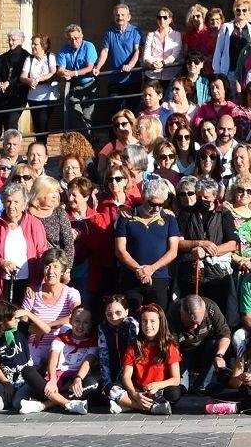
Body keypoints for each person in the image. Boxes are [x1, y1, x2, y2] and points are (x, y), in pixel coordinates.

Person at [114, 177, 183, 310]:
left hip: (159, 277)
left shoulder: (169, 218)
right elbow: (120, 250)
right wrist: (138, 270)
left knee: (157, 318)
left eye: (160, 205)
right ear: (143, 198)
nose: (156, 209)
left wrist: (151, 269)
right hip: (131, 278)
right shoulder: (127, 217)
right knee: (131, 319)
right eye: (152, 204)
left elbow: (173, 250)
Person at [113, 302, 182, 415]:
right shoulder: (134, 346)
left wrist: (158, 385)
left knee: (175, 393)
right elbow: (126, 377)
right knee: (110, 388)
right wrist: (135, 394)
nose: (148, 325)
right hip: (138, 391)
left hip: (158, 391)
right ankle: (147, 407)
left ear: (161, 323)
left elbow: (176, 379)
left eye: (152, 321)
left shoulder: (170, 346)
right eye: (144, 321)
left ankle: (128, 405)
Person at [0, 300, 42, 414]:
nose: (17, 320)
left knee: (17, 404)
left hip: (24, 377)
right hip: (7, 377)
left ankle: (15, 397)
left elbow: (45, 329)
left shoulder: (21, 328)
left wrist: (28, 314)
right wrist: (6, 383)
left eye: (17, 318)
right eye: (13, 318)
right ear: (2, 321)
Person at [40, 306, 101, 413]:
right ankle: (68, 403)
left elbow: (88, 362)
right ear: (70, 321)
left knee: (94, 383)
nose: (80, 326)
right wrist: (52, 380)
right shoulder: (61, 339)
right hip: (57, 377)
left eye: (85, 322)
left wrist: (78, 378)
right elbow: (53, 360)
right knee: (28, 372)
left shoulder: (93, 342)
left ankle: (45, 404)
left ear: (90, 324)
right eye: (77, 321)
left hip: (75, 380)